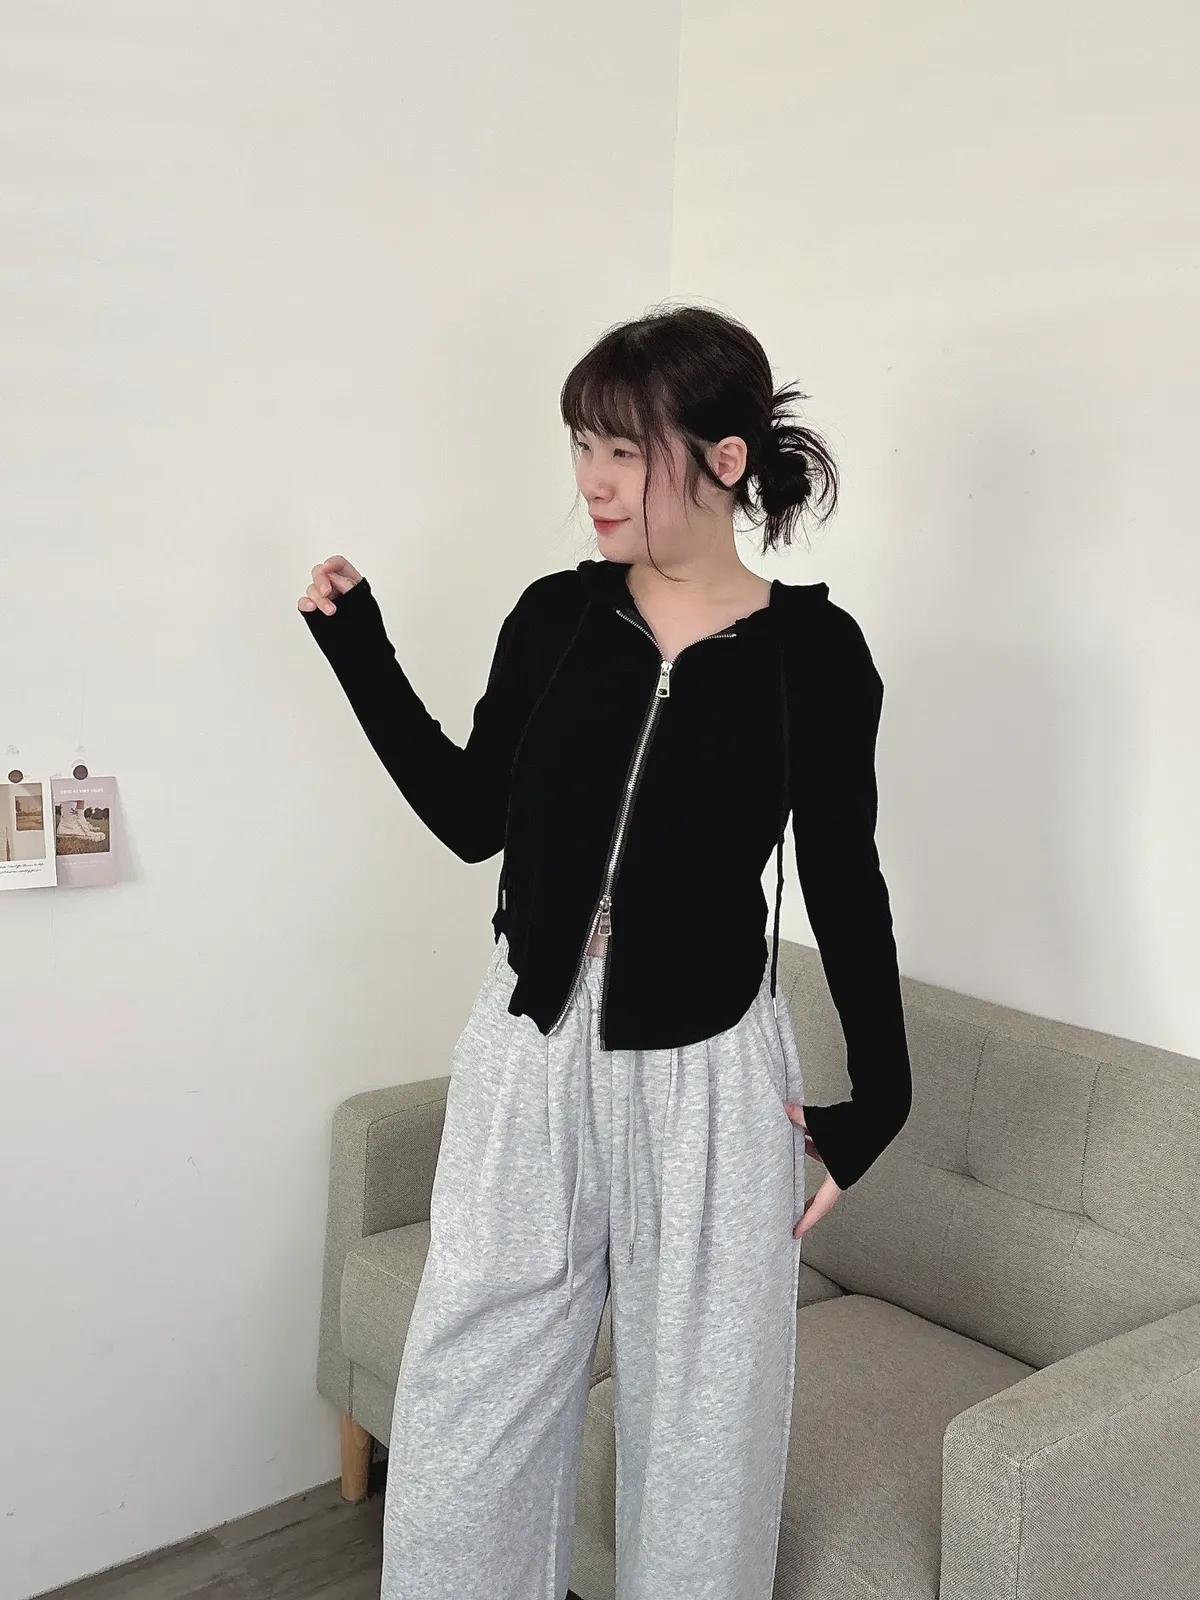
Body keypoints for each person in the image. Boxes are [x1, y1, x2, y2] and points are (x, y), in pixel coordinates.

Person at [298, 303, 911, 1600]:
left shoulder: (812, 658)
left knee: (703, 1437)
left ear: (725, 460)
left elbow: (845, 882)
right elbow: (470, 816)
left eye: (625, 450)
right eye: (583, 444)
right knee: (469, 1400)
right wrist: (361, 652)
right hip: (531, 1042)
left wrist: (882, 1099)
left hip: (714, 1071)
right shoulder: (555, 619)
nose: (593, 479)